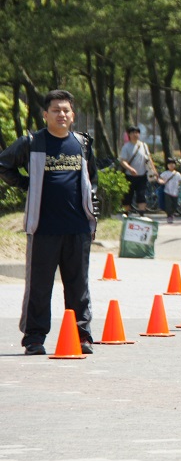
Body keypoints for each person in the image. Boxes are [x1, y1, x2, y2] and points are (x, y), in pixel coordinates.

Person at [0, 90, 100, 356]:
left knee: (79, 286)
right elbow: (4, 164)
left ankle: (81, 336)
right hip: (43, 229)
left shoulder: (82, 144)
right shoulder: (32, 142)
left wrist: (91, 208)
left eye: (66, 110)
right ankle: (34, 338)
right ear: (45, 115)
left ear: (73, 115)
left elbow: (92, 178)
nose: (61, 114)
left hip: (78, 229)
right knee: (40, 287)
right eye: (56, 110)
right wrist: (26, 184)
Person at [119, 126, 157, 215]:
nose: (135, 135)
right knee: (127, 196)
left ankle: (142, 214)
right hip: (129, 176)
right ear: (129, 134)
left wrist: (154, 170)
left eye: (137, 133)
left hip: (142, 175)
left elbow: (149, 159)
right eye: (133, 133)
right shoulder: (126, 147)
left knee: (141, 195)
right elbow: (122, 161)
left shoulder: (144, 145)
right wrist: (130, 169)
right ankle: (126, 214)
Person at [158, 157, 181, 224]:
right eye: (169, 164)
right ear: (167, 165)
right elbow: (160, 179)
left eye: (172, 164)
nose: (171, 165)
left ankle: (172, 214)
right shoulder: (165, 173)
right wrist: (161, 181)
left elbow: (180, 181)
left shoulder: (178, 174)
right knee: (168, 204)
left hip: (175, 192)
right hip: (167, 191)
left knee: (174, 205)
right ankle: (169, 216)